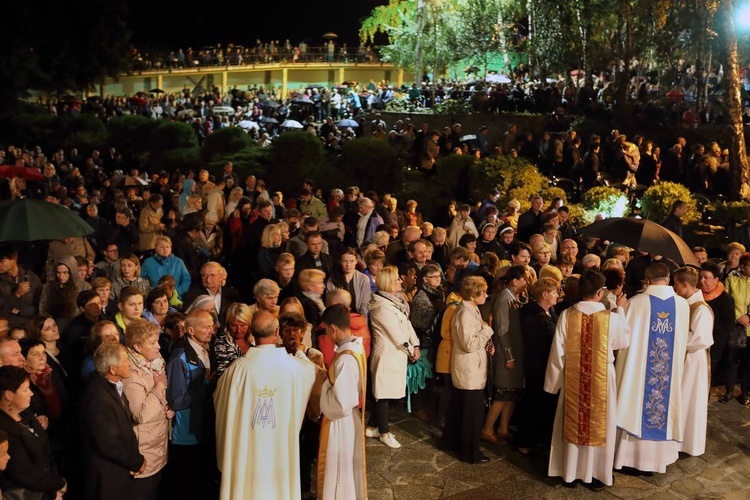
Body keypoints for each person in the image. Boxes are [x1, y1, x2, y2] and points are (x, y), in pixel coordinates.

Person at [213, 310, 317, 499]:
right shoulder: (293, 367)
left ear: (251, 333)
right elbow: (311, 373)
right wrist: (300, 354)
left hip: (246, 449)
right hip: (280, 448)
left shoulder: (237, 369)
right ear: (277, 332)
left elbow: (220, 401)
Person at [544, 270, 631, 490]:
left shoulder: (567, 315)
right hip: (602, 377)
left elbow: (557, 353)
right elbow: (623, 341)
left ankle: (570, 473)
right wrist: (620, 309)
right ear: (601, 292)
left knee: (573, 422)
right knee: (601, 425)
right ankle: (596, 474)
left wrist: (552, 384)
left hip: (573, 377)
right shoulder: (611, 317)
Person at [614, 262, 690, 474]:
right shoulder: (682, 305)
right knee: (661, 404)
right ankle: (656, 462)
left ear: (646, 280)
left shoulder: (636, 303)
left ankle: (629, 459)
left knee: (637, 404)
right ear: (668, 279)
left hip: (639, 377)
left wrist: (619, 308)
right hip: (667, 376)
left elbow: (621, 337)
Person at [81, 342, 147, 500]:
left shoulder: (111, 385)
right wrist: (137, 462)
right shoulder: (98, 397)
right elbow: (109, 444)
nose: (130, 364)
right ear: (112, 368)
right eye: (125, 361)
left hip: (118, 469)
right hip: (108, 476)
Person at [440, 276, 494, 464]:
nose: (486, 295)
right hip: (469, 370)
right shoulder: (464, 313)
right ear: (473, 294)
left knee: (459, 409)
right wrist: (487, 331)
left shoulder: (472, 310)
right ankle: (470, 452)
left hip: (471, 368)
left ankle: (451, 443)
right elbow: (469, 344)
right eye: (483, 292)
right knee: (471, 415)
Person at [365, 265, 420, 449]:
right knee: (383, 394)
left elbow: (407, 324)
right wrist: (411, 350)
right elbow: (396, 334)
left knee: (386, 394)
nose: (400, 281)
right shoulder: (382, 307)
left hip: (398, 355)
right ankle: (384, 432)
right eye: (397, 279)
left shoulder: (396, 302)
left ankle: (372, 427)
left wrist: (416, 344)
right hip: (387, 355)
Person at [317, 304, 368, 499]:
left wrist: (323, 383)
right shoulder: (357, 347)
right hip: (349, 419)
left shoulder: (346, 359)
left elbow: (340, 403)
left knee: (339, 468)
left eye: (327, 330)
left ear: (333, 328)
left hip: (341, 422)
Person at [165, 310, 216, 499]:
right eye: (206, 327)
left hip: (202, 428)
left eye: (212, 326)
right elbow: (177, 401)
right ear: (191, 330)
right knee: (185, 486)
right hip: (186, 435)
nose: (212, 331)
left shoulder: (205, 350)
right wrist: (204, 385)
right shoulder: (180, 358)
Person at [122, 319, 173, 500]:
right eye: (152, 343)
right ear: (137, 347)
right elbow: (141, 415)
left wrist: (168, 408)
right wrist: (159, 387)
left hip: (157, 446)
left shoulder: (156, 364)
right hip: (144, 452)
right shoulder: (131, 374)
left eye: (157, 341)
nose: (158, 347)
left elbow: (157, 402)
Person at [0, 366, 67, 499]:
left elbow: (45, 453)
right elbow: (23, 474)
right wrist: (57, 485)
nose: (31, 393)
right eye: (26, 389)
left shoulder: (26, 413)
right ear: (8, 395)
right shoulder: (4, 430)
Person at [483, 265, 528, 444]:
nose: (527, 281)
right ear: (515, 280)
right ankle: (487, 429)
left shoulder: (514, 297)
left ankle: (503, 427)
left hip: (515, 353)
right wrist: (509, 356)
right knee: (503, 394)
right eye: (524, 278)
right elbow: (502, 330)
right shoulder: (504, 298)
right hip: (506, 355)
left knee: (512, 394)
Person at [671, 266, 713, 457]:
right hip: (684, 359)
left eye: (676, 284)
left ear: (686, 284)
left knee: (690, 400)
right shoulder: (685, 303)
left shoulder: (701, 309)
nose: (674, 287)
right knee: (682, 399)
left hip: (693, 362)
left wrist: (674, 340)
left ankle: (687, 445)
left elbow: (701, 339)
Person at [325, 247, 371, 317]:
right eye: (345, 261)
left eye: (351, 261)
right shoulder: (332, 280)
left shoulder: (364, 279)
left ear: (356, 261)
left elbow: (365, 305)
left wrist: (361, 321)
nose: (348, 265)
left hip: (358, 318)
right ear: (340, 261)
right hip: (338, 318)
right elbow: (330, 304)